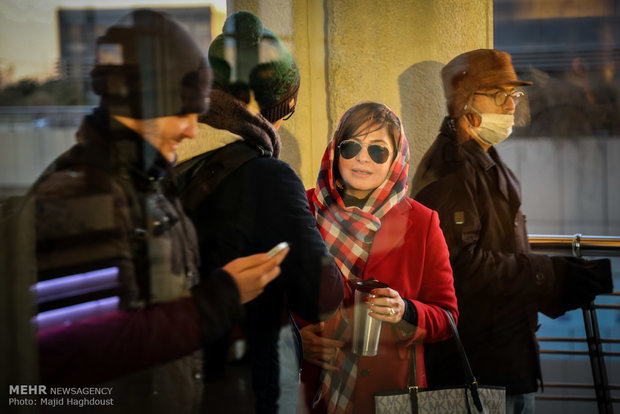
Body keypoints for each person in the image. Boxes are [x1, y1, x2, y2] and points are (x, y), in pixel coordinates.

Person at [18, 9, 288, 413]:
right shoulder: (82, 197)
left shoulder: (144, 183)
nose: (192, 129)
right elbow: (79, 352)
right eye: (181, 111)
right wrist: (221, 297)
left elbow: (149, 309)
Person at [410, 49, 613, 414]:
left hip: (502, 358)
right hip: (478, 369)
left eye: (514, 94)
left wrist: (556, 281)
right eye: (498, 93)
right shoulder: (453, 170)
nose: (510, 104)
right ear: (465, 101)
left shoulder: (480, 155)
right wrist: (551, 276)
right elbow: (463, 268)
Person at [174, 11, 344, 414]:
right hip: (240, 385)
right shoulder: (267, 176)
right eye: (290, 109)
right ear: (277, 110)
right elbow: (321, 295)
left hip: (177, 375)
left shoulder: (176, 158)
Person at [298, 102, 458, 414]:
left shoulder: (423, 222)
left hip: (389, 396)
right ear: (335, 151)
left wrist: (406, 310)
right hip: (310, 391)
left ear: (396, 160)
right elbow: (270, 302)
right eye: (351, 146)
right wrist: (296, 341)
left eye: (378, 150)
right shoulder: (302, 209)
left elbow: (448, 317)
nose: (361, 158)